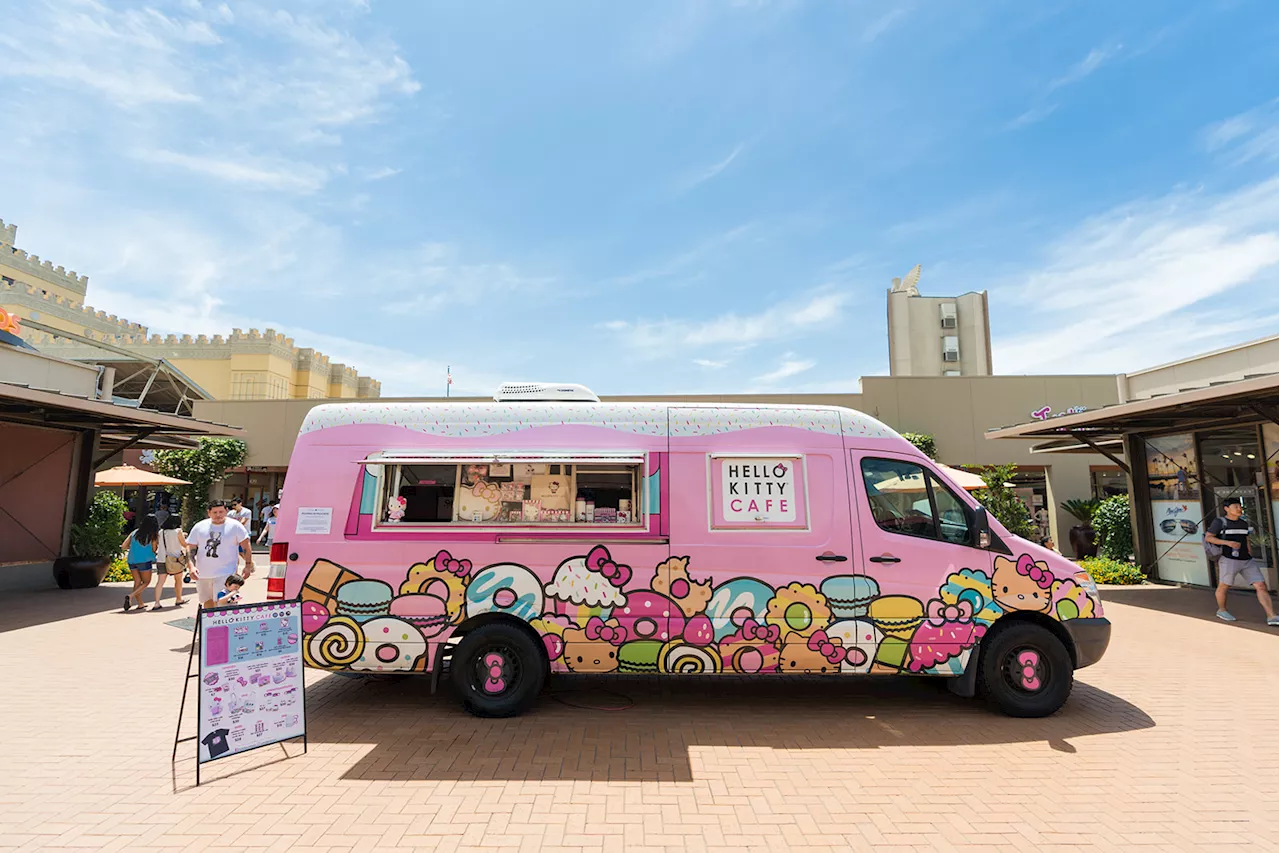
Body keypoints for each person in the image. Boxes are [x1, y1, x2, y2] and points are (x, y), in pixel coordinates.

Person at [1205, 497, 1280, 625]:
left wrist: (1249, 552)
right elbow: (1209, 538)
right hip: (1228, 559)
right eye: (1236, 507)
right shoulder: (1219, 522)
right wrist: (1227, 543)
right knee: (1224, 585)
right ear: (1227, 509)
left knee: (1261, 585)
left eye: (1240, 506)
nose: (1239, 509)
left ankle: (1271, 616)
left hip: (1246, 560)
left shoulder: (1243, 523)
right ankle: (1222, 610)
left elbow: (1246, 539)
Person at [187, 501, 254, 610]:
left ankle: (223, 625)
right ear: (209, 513)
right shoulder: (199, 527)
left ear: (226, 511)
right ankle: (209, 624)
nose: (218, 515)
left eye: (221, 512)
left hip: (226, 572)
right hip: (203, 573)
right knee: (207, 601)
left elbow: (246, 546)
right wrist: (191, 567)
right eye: (215, 512)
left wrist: (248, 565)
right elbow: (190, 548)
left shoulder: (235, 526)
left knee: (223, 602)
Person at [122, 513, 160, 612]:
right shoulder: (153, 535)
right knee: (146, 582)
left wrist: (134, 548)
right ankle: (130, 596)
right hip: (144, 560)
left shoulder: (134, 532)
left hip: (132, 560)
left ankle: (140, 603)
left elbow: (123, 546)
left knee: (137, 582)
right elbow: (154, 549)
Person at [151, 515, 189, 610]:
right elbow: (184, 544)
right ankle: (178, 599)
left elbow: (155, 545)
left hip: (162, 559)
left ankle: (156, 603)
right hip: (175, 560)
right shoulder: (178, 531)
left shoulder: (161, 532)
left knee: (160, 582)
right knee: (178, 580)